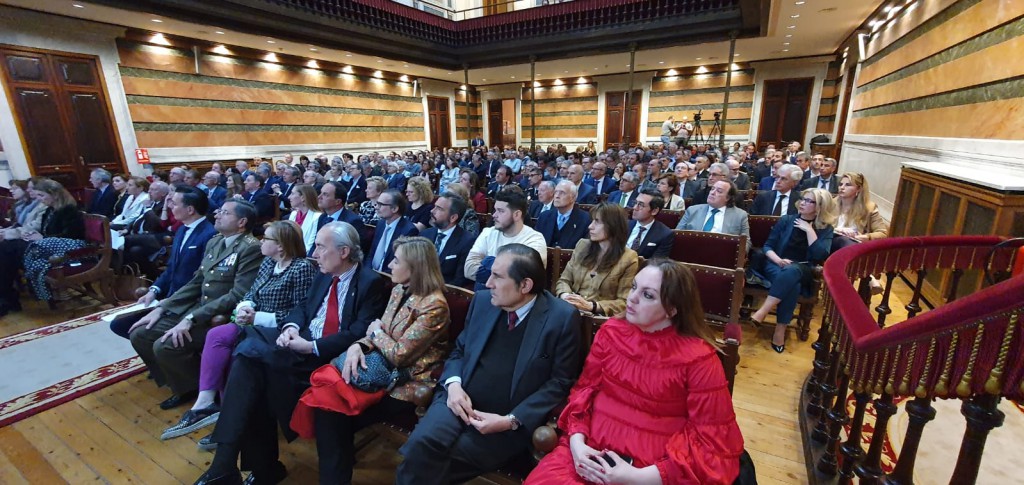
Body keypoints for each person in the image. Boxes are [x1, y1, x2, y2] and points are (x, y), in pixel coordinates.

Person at [194, 222, 388, 485]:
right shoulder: (322, 274)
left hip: (328, 356)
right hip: (300, 345)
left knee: (250, 364)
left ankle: (234, 463)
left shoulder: (369, 282)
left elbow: (358, 331)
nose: (314, 252)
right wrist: (291, 327)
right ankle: (231, 464)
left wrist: (311, 346)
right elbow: (303, 307)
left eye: (320, 246)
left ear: (343, 252)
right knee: (248, 360)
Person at [525, 260, 744, 484]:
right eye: (634, 287)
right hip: (589, 451)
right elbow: (584, 392)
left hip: (652, 469)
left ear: (672, 308)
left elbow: (712, 438)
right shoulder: (611, 332)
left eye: (648, 295)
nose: (632, 298)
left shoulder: (699, 358)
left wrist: (635, 477)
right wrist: (577, 446)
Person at [396, 244, 582, 485]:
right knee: (422, 445)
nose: (488, 283)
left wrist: (511, 420)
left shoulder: (561, 318)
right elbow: (459, 351)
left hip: (504, 420)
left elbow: (560, 382)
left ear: (525, 285)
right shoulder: (483, 301)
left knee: (433, 463)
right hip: (457, 400)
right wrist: (453, 386)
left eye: (497, 276)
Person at [291, 236, 451, 484]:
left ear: (415, 267)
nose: (389, 266)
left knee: (333, 415)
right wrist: (358, 345)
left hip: (406, 383)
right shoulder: (399, 289)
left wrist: (375, 333)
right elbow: (377, 332)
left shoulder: (435, 306)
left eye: (396, 261)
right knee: (327, 408)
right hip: (378, 370)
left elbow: (400, 354)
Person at [161, 220, 317, 442]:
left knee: (238, 355)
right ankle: (205, 403)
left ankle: (230, 419)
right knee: (216, 335)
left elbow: (300, 312)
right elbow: (251, 294)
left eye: (267, 238)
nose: (261, 241)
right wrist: (245, 308)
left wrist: (258, 317)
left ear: (280, 245)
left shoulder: (301, 268)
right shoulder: (267, 263)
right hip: (252, 323)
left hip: (276, 330)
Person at [128, 200, 263, 409]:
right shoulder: (216, 242)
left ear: (241, 222)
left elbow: (238, 294)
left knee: (165, 345)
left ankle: (200, 389)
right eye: (219, 211)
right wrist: (162, 307)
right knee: (140, 334)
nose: (217, 215)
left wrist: (191, 318)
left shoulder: (250, 249)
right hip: (198, 309)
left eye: (225, 213)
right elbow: (197, 281)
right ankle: (181, 383)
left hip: (220, 317)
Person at [112, 186, 217, 339]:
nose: (169, 206)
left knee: (137, 332)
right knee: (119, 324)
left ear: (189, 210)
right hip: (169, 296)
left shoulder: (210, 235)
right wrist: (154, 290)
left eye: (174, 204)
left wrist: (168, 302)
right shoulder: (182, 230)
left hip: (187, 302)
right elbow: (172, 268)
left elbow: (201, 279)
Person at [750, 188, 836, 353]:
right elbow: (768, 246)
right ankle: (780, 330)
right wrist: (779, 260)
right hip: (775, 264)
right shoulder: (787, 220)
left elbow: (819, 255)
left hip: (804, 269)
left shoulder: (825, 229)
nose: (803, 203)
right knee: (792, 285)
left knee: (793, 271)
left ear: (819, 207)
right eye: (803, 199)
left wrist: (810, 231)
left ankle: (763, 311)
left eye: (809, 201)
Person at [0, 179, 85, 314]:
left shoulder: (69, 210)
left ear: (54, 194)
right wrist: (33, 235)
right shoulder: (50, 210)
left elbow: (71, 235)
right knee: (7, 247)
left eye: (42, 196)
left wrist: (42, 238)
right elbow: (45, 231)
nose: (39, 200)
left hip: (67, 250)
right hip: (48, 246)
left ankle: (7, 297)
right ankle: (6, 296)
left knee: (8, 249)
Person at [555, 203, 637, 316]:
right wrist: (567, 296)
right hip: (569, 311)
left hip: (598, 319)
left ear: (613, 226)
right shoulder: (582, 245)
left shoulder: (629, 258)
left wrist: (592, 306)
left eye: (597, 222)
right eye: (592, 221)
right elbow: (564, 281)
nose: (590, 226)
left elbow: (624, 302)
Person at [464, 187, 547, 288]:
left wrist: (487, 262)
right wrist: (507, 274)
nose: (494, 215)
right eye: (495, 210)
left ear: (517, 215)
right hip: (485, 296)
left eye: (501, 211)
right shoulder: (488, 232)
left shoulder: (534, 240)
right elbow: (468, 269)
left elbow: (524, 280)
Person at [419, 193, 474, 287]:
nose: (432, 211)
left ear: (453, 218)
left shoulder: (467, 241)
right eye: (434, 206)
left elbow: (459, 281)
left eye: (439, 208)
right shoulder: (425, 234)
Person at [365, 189, 419, 273]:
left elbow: (401, 264)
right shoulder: (380, 223)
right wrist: (367, 272)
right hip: (370, 274)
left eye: (380, 205)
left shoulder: (409, 231)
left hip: (387, 278)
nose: (376, 207)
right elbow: (371, 253)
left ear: (394, 209)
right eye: (377, 203)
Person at [677, 179, 751, 240]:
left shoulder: (740, 215)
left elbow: (746, 241)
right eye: (712, 189)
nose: (712, 193)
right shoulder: (692, 210)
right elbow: (677, 234)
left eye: (719, 191)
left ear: (728, 198)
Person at [535, 180, 591, 250]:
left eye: (562, 193)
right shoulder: (544, 216)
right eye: (556, 192)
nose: (557, 196)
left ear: (573, 197)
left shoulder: (585, 219)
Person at [626, 190, 675, 260]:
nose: (635, 207)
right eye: (635, 203)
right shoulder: (623, 225)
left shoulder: (665, 234)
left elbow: (656, 263)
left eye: (641, 205)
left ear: (654, 211)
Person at [286, 184, 322, 251]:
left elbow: (310, 246)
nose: (288, 197)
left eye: (292, 194)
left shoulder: (317, 217)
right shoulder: (293, 214)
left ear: (303, 197)